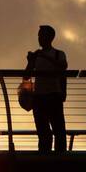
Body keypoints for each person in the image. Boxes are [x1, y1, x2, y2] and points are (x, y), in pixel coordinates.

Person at [24, 25, 68, 153]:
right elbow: (26, 76)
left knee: (58, 130)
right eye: (39, 35)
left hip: (54, 95)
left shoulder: (58, 54)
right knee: (43, 132)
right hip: (39, 97)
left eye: (41, 35)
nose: (39, 38)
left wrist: (43, 56)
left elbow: (63, 66)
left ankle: (60, 158)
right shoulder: (36, 56)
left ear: (50, 37)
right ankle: (44, 156)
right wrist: (30, 62)